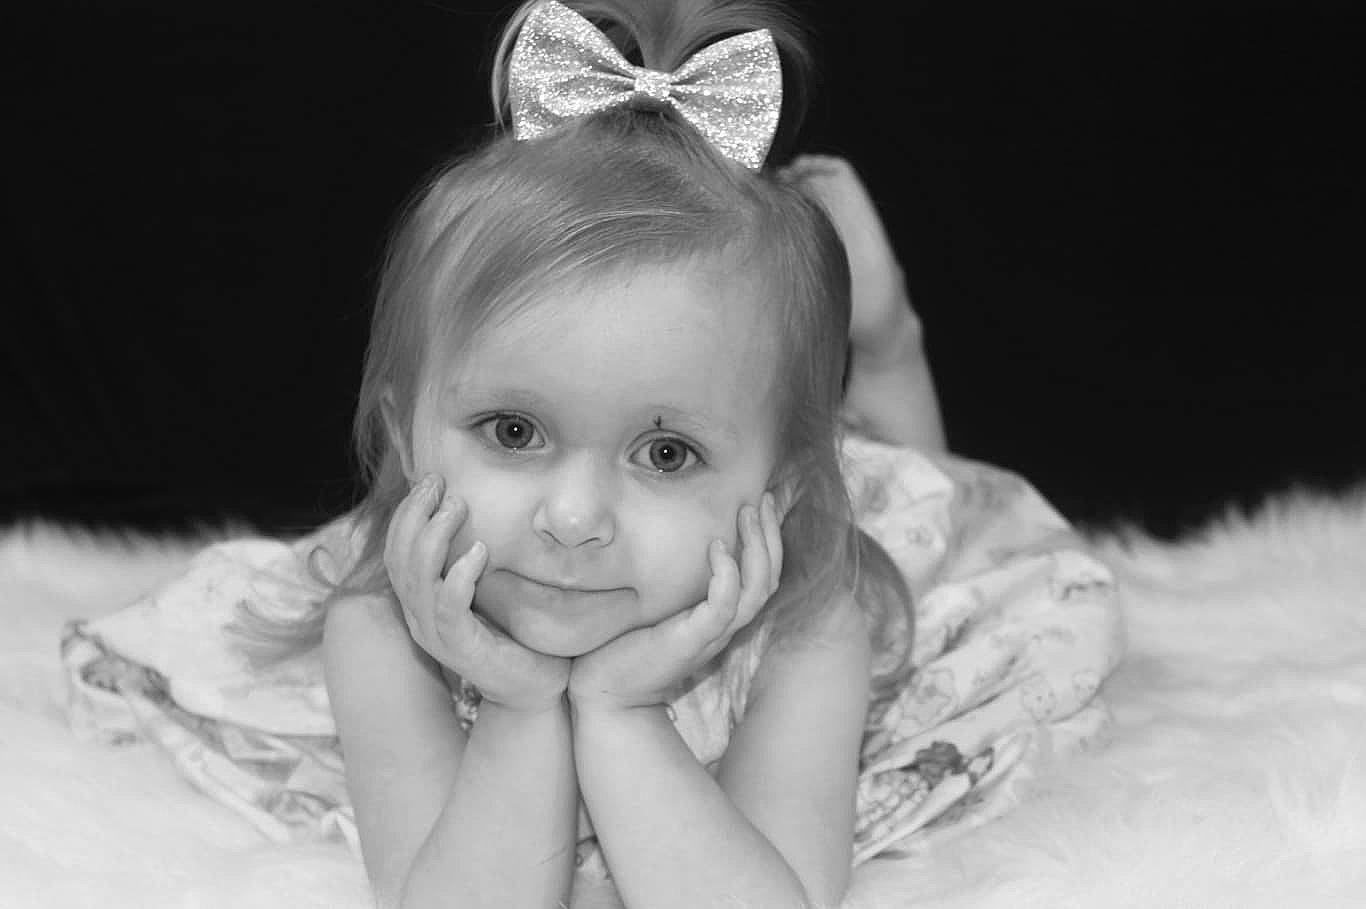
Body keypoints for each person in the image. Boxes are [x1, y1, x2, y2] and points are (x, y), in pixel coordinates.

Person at [61, 1, 1123, 906]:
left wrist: (619, 710)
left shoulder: (807, 625)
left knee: (915, 509)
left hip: (811, 527)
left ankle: (884, 351)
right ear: (401, 431)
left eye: (665, 453)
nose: (572, 518)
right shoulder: (384, 630)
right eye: (512, 432)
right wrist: (520, 701)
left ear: (775, 491)